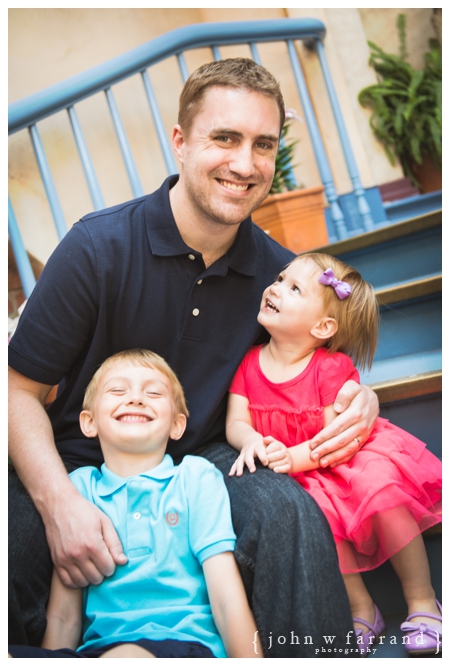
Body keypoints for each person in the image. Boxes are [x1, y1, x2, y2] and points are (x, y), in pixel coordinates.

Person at [8, 57, 379, 656]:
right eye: (225, 138)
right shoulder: (97, 247)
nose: (245, 163)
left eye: (263, 144)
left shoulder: (279, 276)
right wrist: (61, 506)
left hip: (209, 460)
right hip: (83, 459)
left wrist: (365, 395)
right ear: (180, 142)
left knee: (291, 515)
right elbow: (17, 391)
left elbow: (315, 366)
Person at [226, 252, 442, 656]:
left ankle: (422, 601)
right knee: (314, 514)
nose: (274, 287)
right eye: (279, 278)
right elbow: (235, 422)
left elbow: (335, 439)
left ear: (323, 326)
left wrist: (293, 458)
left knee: (384, 493)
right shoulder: (249, 363)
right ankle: (362, 608)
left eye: (293, 288)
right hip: (299, 466)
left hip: (343, 457)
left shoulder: (329, 368)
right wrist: (250, 441)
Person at [9, 349, 262, 658]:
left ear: (177, 425)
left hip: (185, 645)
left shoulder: (195, 479)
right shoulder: (79, 490)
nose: (136, 398)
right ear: (89, 422)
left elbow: (227, 600)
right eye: (118, 390)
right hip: (96, 652)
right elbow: (64, 617)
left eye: (154, 392)